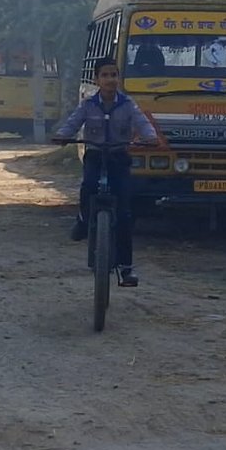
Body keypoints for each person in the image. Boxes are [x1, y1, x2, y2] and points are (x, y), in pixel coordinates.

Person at [51, 57, 159, 287]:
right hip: (95, 155)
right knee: (88, 187)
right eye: (105, 75)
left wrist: (151, 138)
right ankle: (83, 219)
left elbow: (142, 123)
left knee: (124, 214)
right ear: (96, 79)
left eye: (114, 75)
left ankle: (126, 267)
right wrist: (62, 135)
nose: (110, 80)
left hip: (119, 157)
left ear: (119, 78)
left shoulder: (128, 104)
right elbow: (73, 123)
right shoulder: (88, 105)